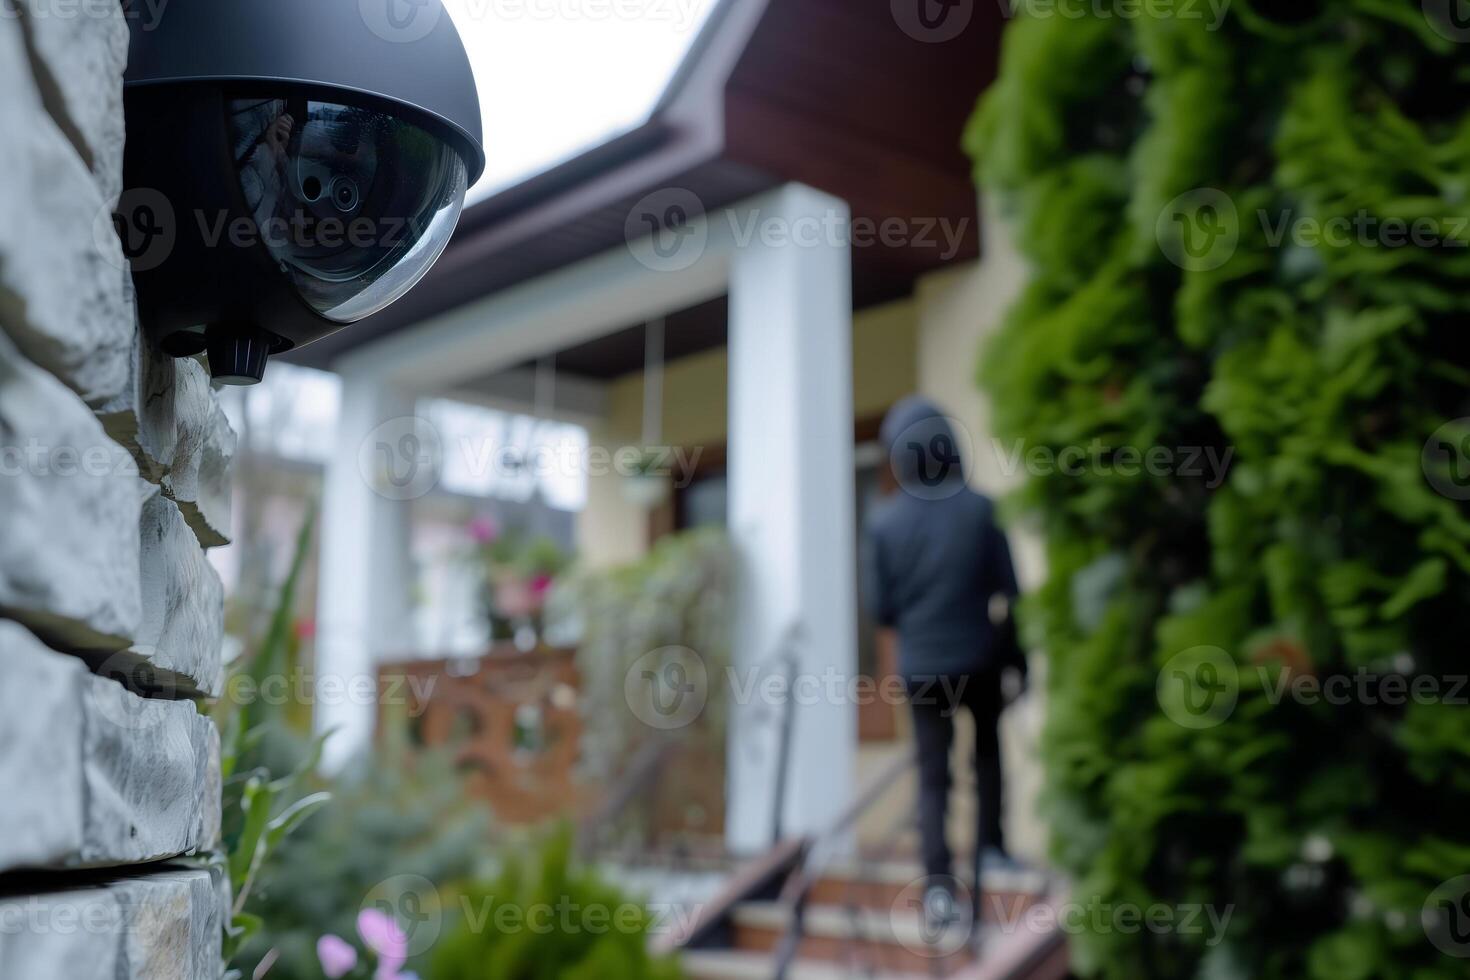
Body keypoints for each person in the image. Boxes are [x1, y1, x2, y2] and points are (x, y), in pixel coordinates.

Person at [862, 396, 1025, 927]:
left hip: (922, 669)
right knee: (987, 757)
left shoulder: (885, 525)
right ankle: (993, 850)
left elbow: (882, 611)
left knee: (933, 777)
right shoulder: (980, 509)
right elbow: (1011, 593)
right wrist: (1016, 659)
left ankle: (938, 891)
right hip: (979, 662)